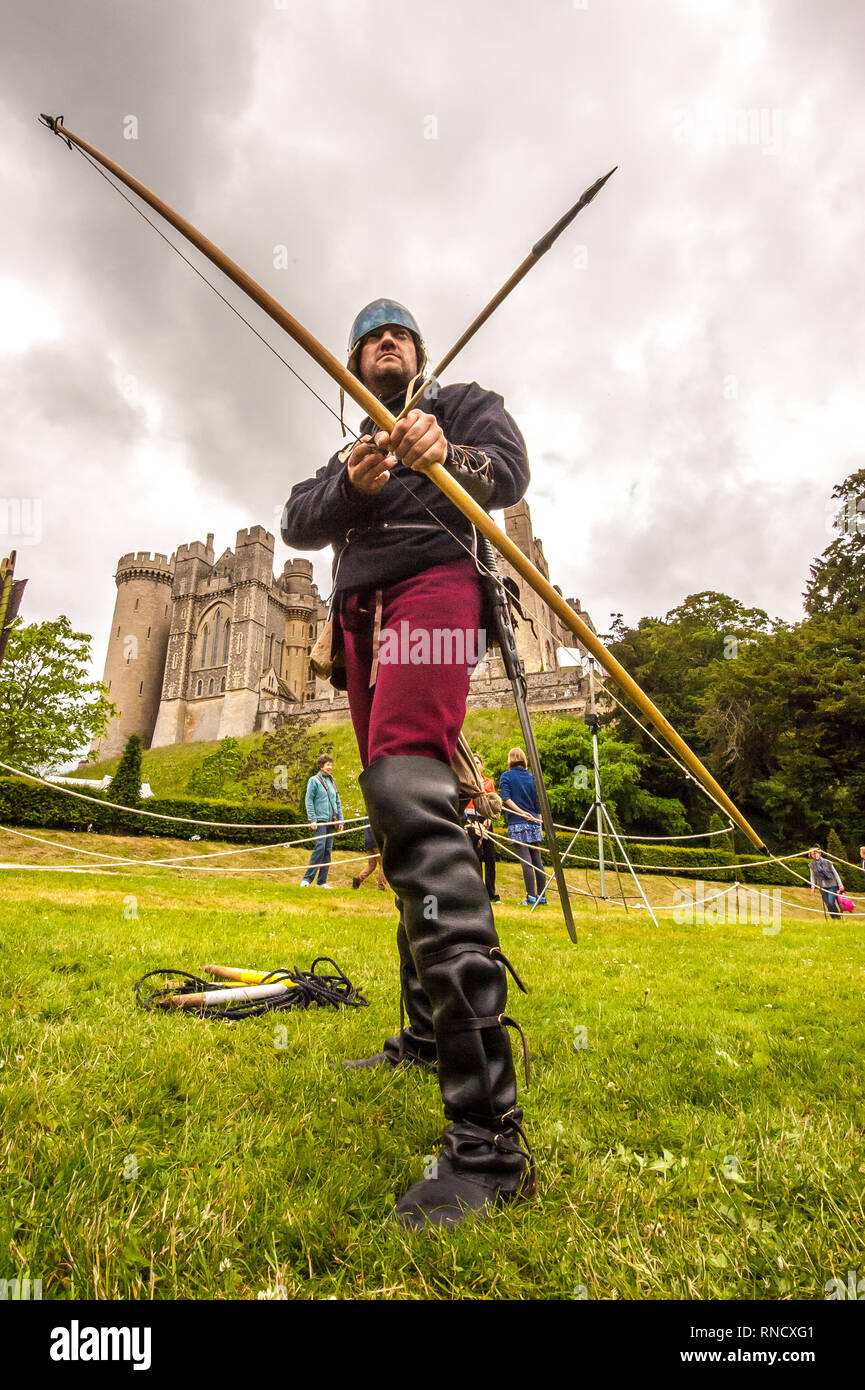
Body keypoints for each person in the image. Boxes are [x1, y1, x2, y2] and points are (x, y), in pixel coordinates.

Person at [281, 298, 533, 1229]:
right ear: (353, 364)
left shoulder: (464, 404)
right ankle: (428, 1037)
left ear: (419, 355)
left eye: (398, 335)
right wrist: (354, 479)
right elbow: (299, 520)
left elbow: (505, 474)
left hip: (436, 587)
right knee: (396, 812)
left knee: (406, 784)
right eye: (369, 338)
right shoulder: (347, 453)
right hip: (359, 623)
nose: (385, 343)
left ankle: (487, 1145)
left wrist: (443, 452)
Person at [500, 748, 546, 905]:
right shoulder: (531, 777)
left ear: (510, 759)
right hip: (533, 821)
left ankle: (531, 897)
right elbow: (538, 802)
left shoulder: (506, 776)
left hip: (518, 822)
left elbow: (506, 799)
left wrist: (521, 812)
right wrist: (539, 823)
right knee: (537, 860)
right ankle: (542, 896)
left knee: (526, 861)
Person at [300, 754, 343, 888]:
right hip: (320, 820)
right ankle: (307, 879)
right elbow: (309, 800)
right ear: (321, 766)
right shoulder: (314, 780)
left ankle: (322, 882)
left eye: (331, 764)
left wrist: (340, 820)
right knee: (320, 847)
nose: (330, 767)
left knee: (327, 851)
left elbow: (337, 801)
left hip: (331, 821)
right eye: (327, 764)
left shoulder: (332, 781)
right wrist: (312, 819)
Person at [464, 753, 500, 903]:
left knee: (490, 856)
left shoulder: (488, 782)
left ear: (482, 765)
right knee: (475, 855)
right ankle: (476, 892)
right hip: (470, 819)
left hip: (485, 819)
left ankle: (491, 893)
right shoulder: (466, 783)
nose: (476, 764)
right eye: (473, 762)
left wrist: (489, 819)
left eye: (478, 762)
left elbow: (493, 803)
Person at [808, 845, 844, 917]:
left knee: (831, 902)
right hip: (822, 886)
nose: (815, 855)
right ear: (811, 855)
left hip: (832, 885)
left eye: (816, 853)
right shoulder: (811, 865)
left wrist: (840, 884)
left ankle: (838, 918)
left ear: (820, 853)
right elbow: (812, 876)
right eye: (813, 854)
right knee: (828, 904)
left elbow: (835, 873)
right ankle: (834, 919)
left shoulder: (827, 862)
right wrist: (813, 887)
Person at [352, 822, 388, 891]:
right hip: (376, 842)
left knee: (371, 864)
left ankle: (358, 879)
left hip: (368, 842)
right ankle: (382, 886)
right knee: (383, 864)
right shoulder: (378, 813)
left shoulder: (368, 813)